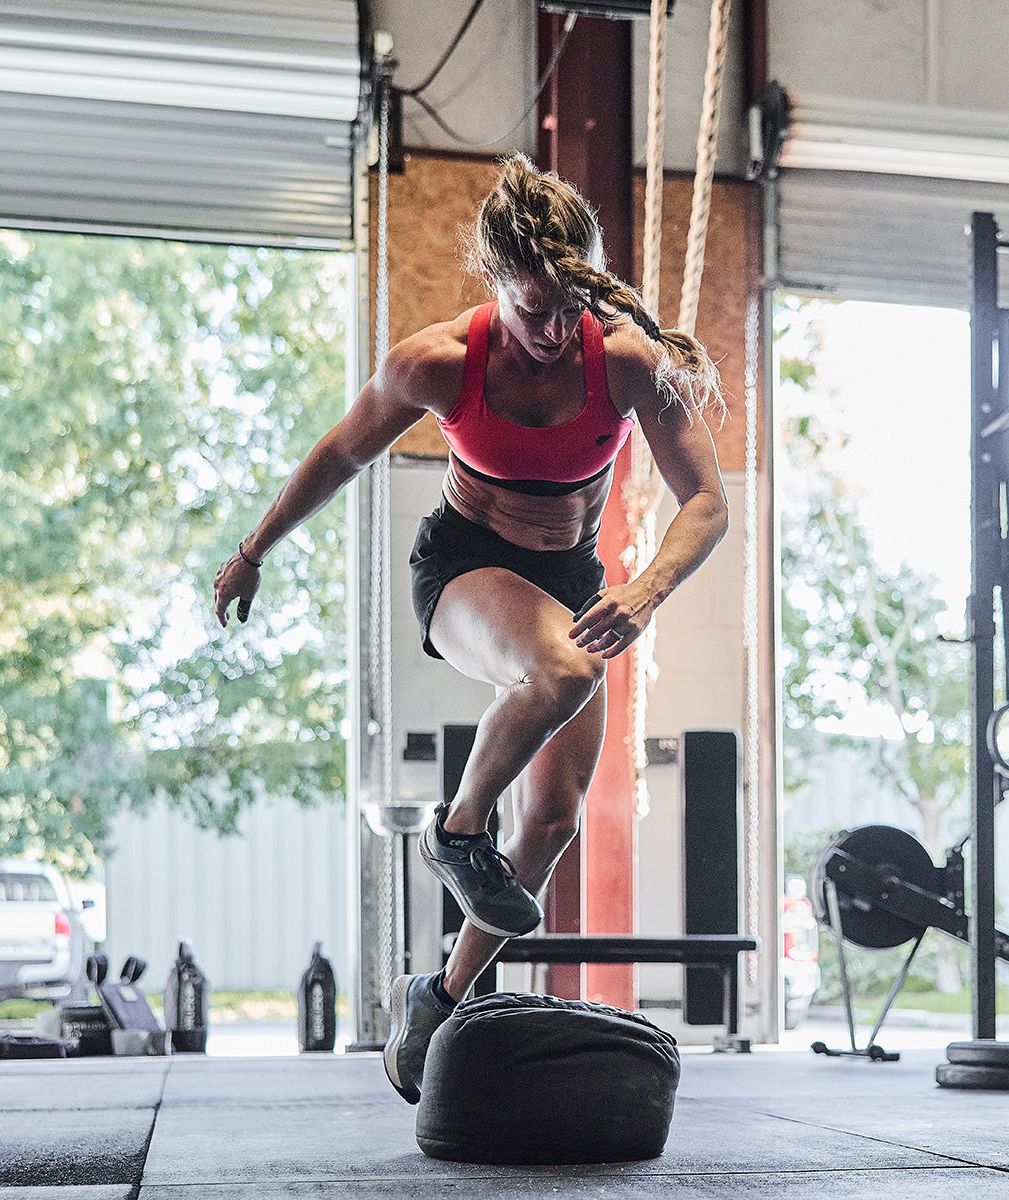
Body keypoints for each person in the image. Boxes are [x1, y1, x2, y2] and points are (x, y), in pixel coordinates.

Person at [213, 153, 728, 1104]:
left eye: (560, 311)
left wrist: (648, 588)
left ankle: (440, 997)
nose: (544, 330)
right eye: (527, 309)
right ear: (495, 283)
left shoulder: (621, 363)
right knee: (562, 670)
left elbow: (707, 502)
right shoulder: (438, 362)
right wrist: (252, 549)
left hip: (572, 581)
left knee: (555, 817)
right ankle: (456, 830)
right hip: (461, 570)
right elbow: (340, 452)